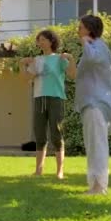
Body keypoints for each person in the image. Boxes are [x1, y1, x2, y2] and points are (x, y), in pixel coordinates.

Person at [75, 15, 111, 195]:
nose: (78, 30)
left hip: (96, 103)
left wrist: (85, 43)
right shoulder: (94, 46)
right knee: (92, 144)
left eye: (80, 27)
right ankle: (94, 185)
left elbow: (92, 59)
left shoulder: (97, 47)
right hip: (90, 102)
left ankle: (99, 186)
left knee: (97, 144)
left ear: (89, 29)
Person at [19, 30, 76, 179]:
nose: (41, 42)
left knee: (56, 134)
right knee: (39, 134)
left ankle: (60, 171)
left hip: (56, 98)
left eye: (43, 39)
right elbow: (26, 78)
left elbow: (72, 75)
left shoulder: (59, 59)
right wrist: (22, 65)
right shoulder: (36, 60)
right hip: (39, 98)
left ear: (51, 41)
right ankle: (39, 170)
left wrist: (71, 59)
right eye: (39, 40)